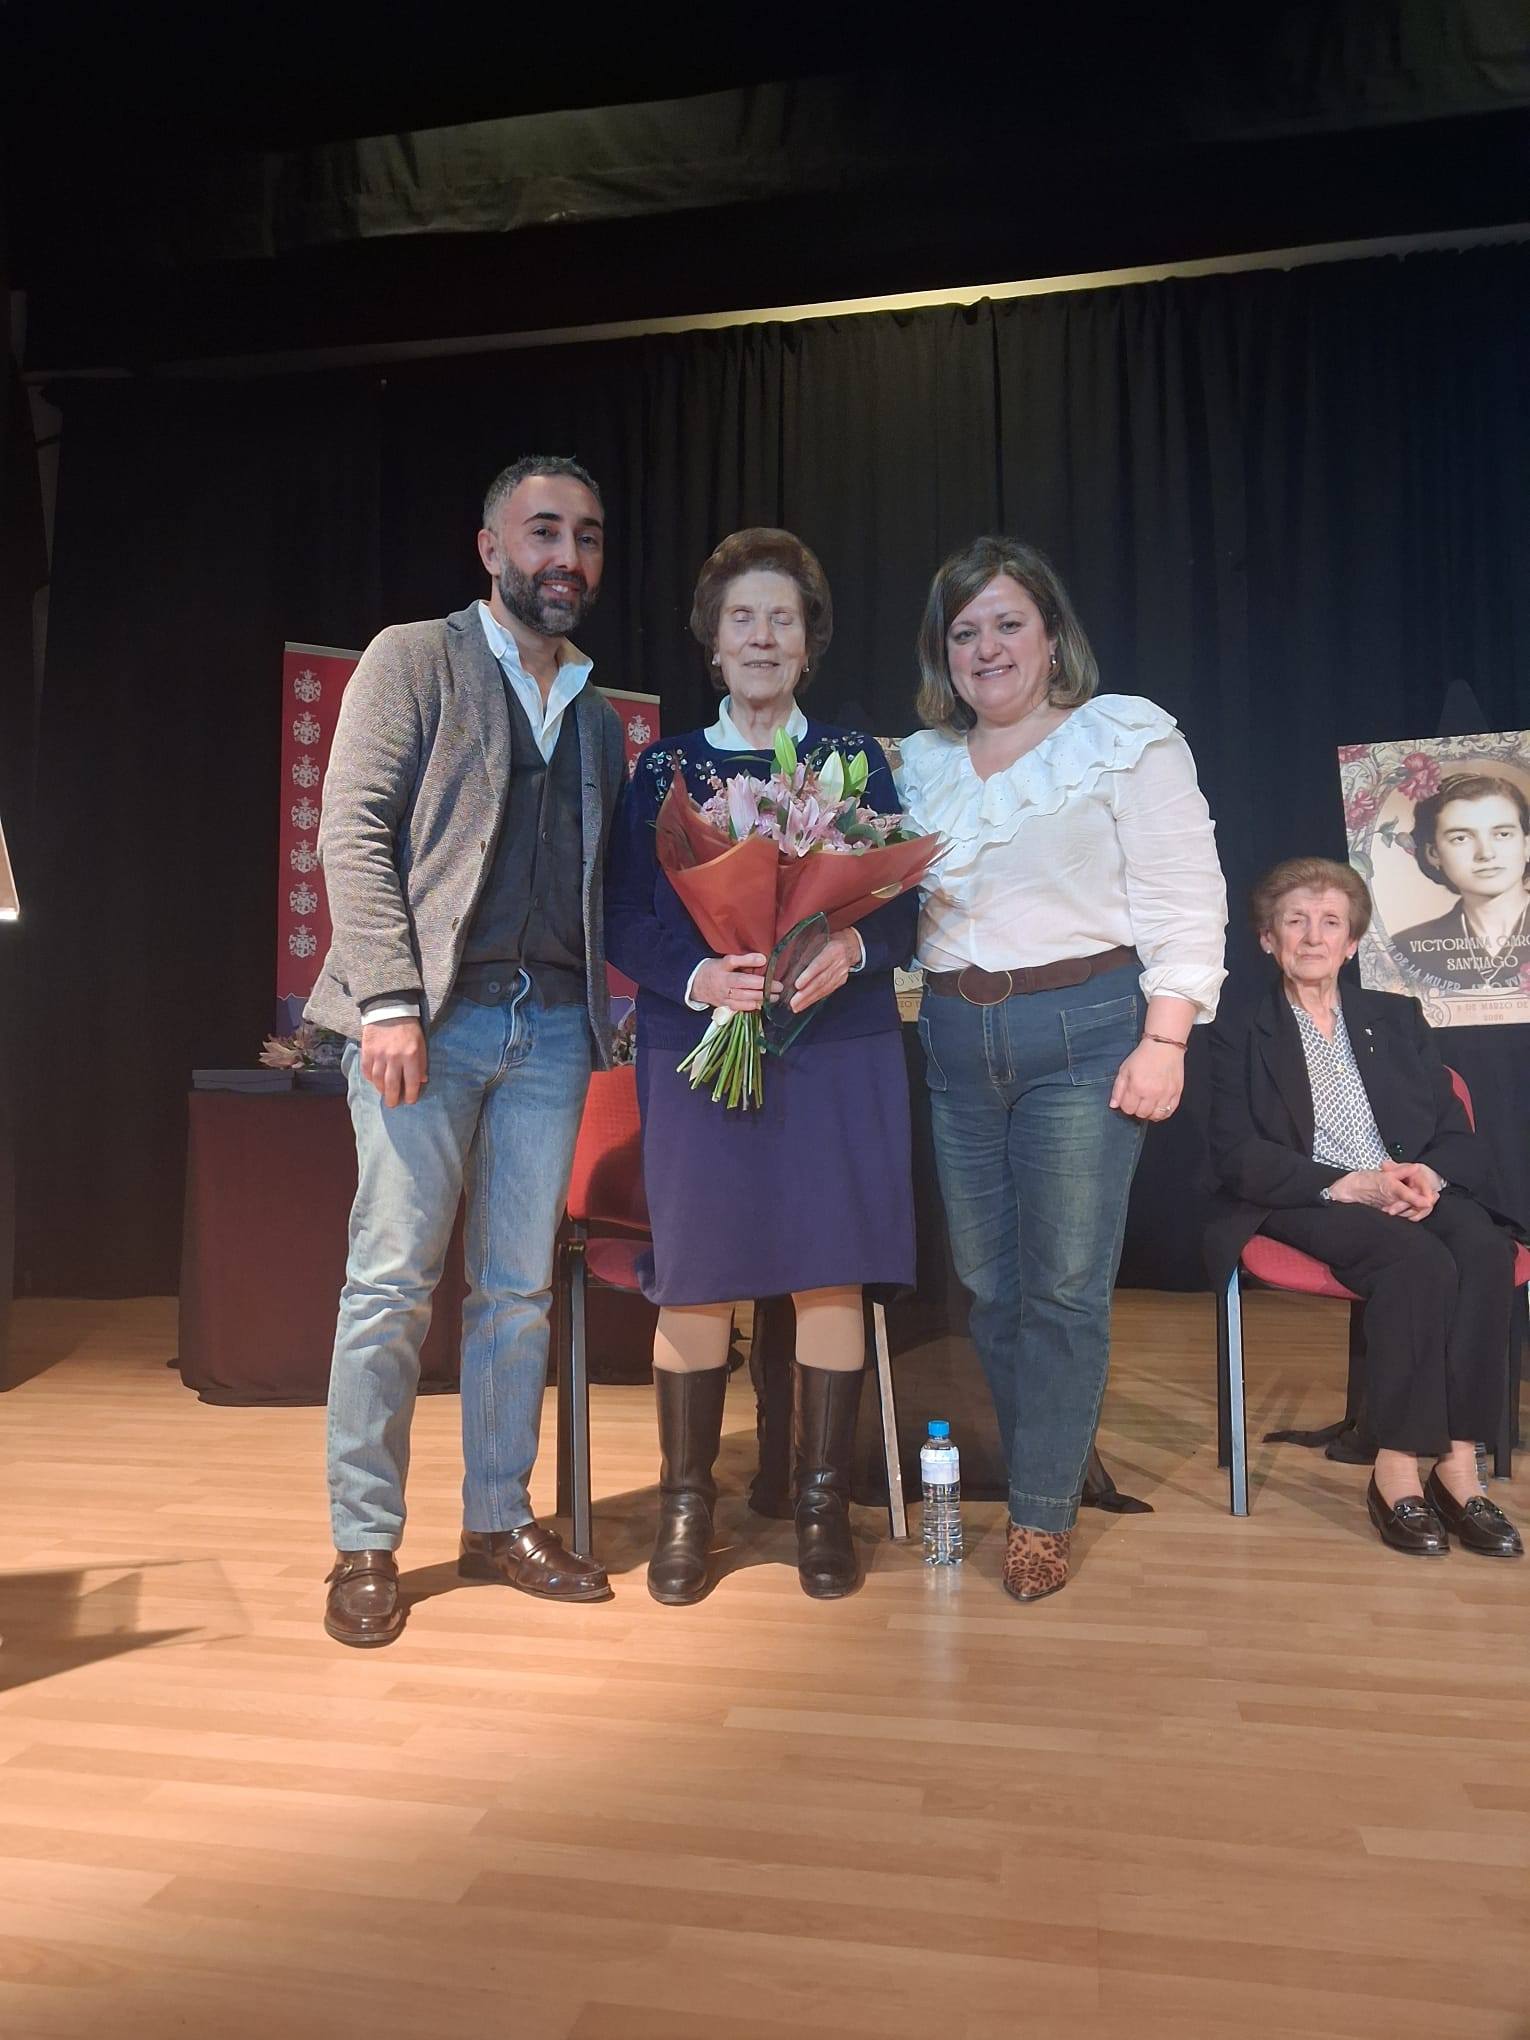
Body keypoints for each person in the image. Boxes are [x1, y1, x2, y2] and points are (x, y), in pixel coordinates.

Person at [307, 455, 629, 1646]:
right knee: (391, 1284)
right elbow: (352, 828)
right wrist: (388, 1000)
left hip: (550, 1032)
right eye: (543, 531)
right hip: (427, 1023)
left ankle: (499, 1519)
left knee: (516, 1294)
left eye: (586, 536)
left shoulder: (597, 716)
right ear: (491, 548)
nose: (566, 555)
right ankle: (364, 1542)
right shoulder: (413, 658)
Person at [897, 537, 1226, 1602]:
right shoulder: (917, 766)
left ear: (1051, 636)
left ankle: (1041, 1511)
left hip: (1087, 1032)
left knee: (1066, 1287)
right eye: (965, 632)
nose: (987, 648)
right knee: (991, 1288)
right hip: (954, 1038)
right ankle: (1054, 1455)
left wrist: (1166, 1039)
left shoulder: (1124, 737)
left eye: (1008, 624)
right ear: (943, 653)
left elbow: (1186, 897)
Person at [605, 528, 918, 1605]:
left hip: (837, 1045)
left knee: (831, 1263)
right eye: (743, 618)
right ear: (713, 639)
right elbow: (624, 917)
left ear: (809, 642)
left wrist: (853, 948)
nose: (763, 636)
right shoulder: (663, 768)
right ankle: (688, 1508)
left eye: (783, 619)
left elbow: (904, 902)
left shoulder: (854, 760)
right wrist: (701, 978)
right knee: (698, 1274)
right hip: (700, 1048)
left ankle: (821, 1505)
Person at [1206, 856, 1525, 1558]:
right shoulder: (1238, 1029)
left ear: (1352, 943)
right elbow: (1236, 1154)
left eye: (1331, 923)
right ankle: (1396, 1470)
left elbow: (1454, 1131)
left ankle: (1459, 1466)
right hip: (1307, 1192)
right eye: (1295, 921)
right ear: (1268, 939)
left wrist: (1426, 1176)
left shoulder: (1395, 1016)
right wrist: (1348, 1184)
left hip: (1402, 1183)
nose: (1313, 936)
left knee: (1483, 1249)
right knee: (1415, 1263)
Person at [1394, 774, 1530, 995]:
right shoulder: (1406, 948)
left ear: (1527, 845)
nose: (1486, 853)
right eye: (1461, 838)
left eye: (1503, 834)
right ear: (1434, 854)